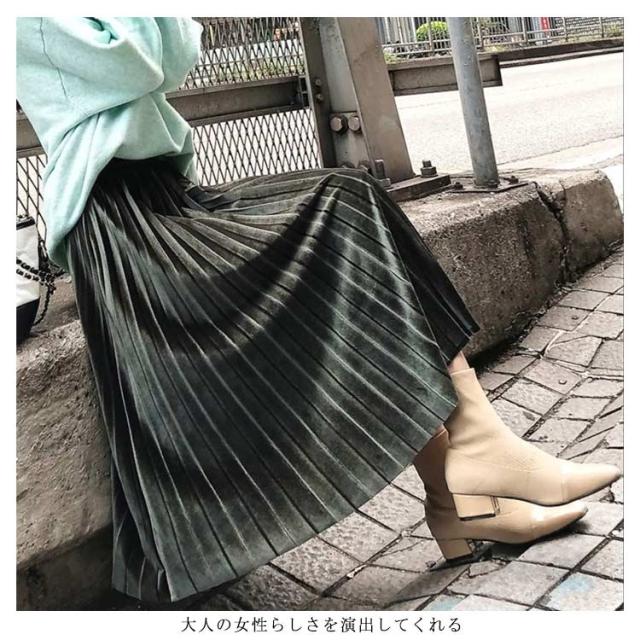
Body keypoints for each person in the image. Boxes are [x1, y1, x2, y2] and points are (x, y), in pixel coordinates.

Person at [17, 17, 620, 605]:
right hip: (122, 228)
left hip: (170, 197)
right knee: (344, 207)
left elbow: (176, 50)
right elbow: (134, 59)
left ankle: (464, 486)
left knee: (356, 199)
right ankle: (471, 479)